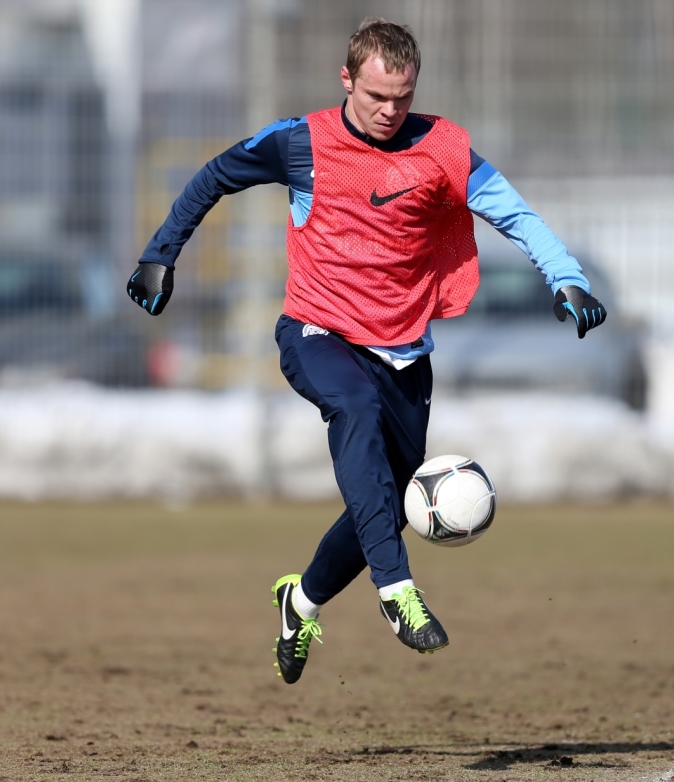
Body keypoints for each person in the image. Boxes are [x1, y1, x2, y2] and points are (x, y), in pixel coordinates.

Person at [127, 18, 606, 684]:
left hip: (406, 354)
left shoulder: (442, 148)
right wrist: (159, 257)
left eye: (401, 98)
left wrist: (566, 279)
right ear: (346, 79)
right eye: (376, 96)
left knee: (382, 497)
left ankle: (301, 601)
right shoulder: (300, 144)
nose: (388, 112)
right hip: (317, 332)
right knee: (352, 410)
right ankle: (396, 593)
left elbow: (514, 213)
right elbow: (213, 176)